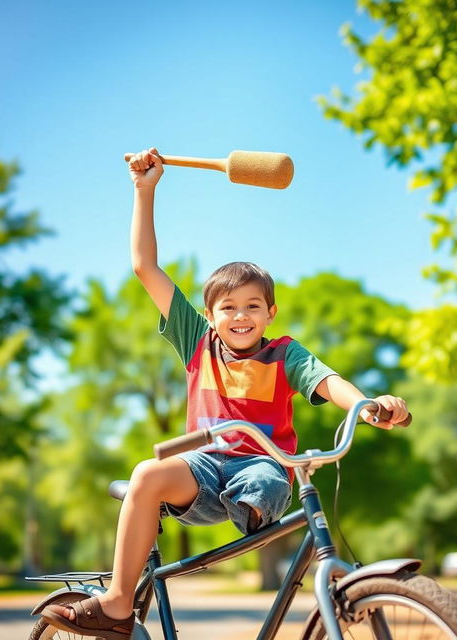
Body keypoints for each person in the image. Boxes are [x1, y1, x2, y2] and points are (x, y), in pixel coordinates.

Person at [42, 148, 410, 639]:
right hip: (201, 468)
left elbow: (328, 380)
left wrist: (368, 407)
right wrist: (144, 191)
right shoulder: (198, 342)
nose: (241, 316)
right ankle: (115, 603)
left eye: (253, 306)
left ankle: (255, 513)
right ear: (210, 316)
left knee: (271, 480)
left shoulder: (285, 354)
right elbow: (144, 267)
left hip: (260, 465)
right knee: (147, 473)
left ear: (270, 313)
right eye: (229, 307)